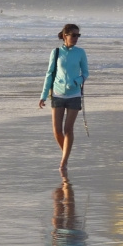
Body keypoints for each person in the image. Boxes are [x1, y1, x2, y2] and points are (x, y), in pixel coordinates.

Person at [39, 23, 89, 171]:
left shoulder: (80, 52)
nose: (75, 38)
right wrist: (43, 95)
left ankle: (64, 162)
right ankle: (65, 154)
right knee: (57, 130)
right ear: (65, 35)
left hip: (74, 94)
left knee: (68, 129)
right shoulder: (55, 53)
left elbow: (85, 73)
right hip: (57, 94)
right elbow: (49, 74)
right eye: (73, 35)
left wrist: (77, 81)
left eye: (78, 35)